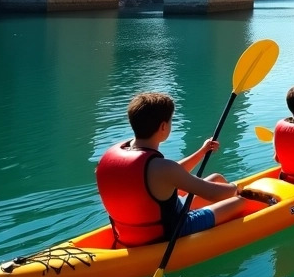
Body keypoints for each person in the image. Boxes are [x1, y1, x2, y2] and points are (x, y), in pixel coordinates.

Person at [96, 91, 253, 248]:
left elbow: (171, 174)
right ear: (163, 126)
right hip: (172, 232)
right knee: (241, 201)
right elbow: (213, 193)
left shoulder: (118, 155)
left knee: (217, 178)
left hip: (129, 232)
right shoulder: (162, 168)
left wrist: (202, 152)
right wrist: (238, 189)